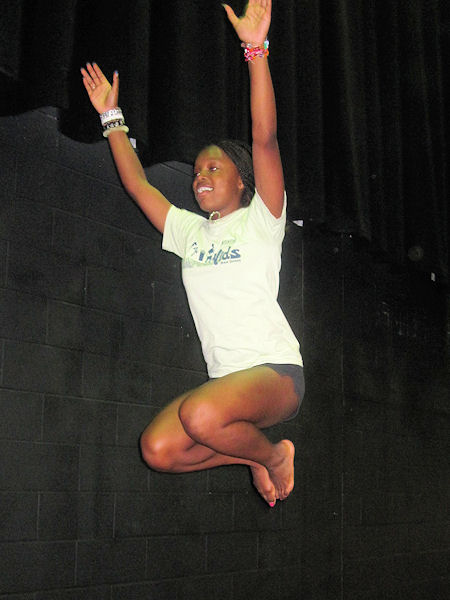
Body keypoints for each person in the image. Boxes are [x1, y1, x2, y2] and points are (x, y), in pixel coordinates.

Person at [81, 0, 304, 507]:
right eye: (197, 171)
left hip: (276, 373)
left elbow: (265, 139)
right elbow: (138, 186)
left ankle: (274, 456)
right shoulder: (189, 232)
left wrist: (256, 52)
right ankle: (254, 455)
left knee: (200, 416)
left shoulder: (262, 218)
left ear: (242, 181)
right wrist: (111, 117)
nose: (200, 177)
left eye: (214, 169)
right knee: (158, 450)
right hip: (226, 385)